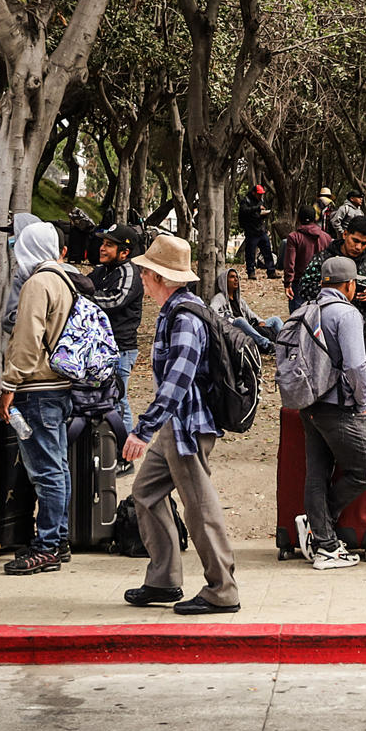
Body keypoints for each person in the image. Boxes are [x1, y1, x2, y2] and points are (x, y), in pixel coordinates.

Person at [120, 235, 242, 615]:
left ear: (159, 276)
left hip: (187, 426)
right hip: (178, 424)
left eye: (145, 271)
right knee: (146, 491)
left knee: (199, 508)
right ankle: (164, 579)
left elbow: (178, 380)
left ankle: (222, 590)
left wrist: (143, 428)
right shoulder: (179, 310)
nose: (141, 277)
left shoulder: (185, 317)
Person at [0, 219, 82, 577]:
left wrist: (9, 384)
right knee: (58, 466)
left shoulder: (36, 283)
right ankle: (57, 540)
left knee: (45, 471)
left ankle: (46, 546)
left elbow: (27, 337)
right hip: (59, 385)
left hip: (37, 388)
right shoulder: (64, 278)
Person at [292, 255, 366, 570]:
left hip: (308, 404)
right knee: (364, 472)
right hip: (338, 406)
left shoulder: (306, 311)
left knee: (317, 474)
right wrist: (360, 402)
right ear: (350, 284)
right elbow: (356, 365)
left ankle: (324, 542)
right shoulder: (347, 314)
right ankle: (321, 528)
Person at [86, 224, 146, 435]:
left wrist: (83, 299)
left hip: (121, 349)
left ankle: (124, 455)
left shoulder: (129, 272)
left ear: (125, 252)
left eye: (109, 245)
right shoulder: (101, 271)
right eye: (103, 243)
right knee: (101, 401)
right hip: (99, 347)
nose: (102, 248)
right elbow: (84, 285)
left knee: (119, 400)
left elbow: (115, 300)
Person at [295, 215, 366, 325]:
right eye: (355, 240)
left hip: (359, 328)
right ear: (345, 234)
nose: (358, 247)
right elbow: (304, 289)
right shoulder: (323, 259)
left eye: (364, 243)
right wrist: (334, 290)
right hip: (324, 327)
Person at [281, 207, 335, 311]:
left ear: (298, 219)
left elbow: (290, 262)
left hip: (299, 282)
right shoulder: (326, 237)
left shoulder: (294, 237)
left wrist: (288, 283)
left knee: (298, 318)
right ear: (314, 218)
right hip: (321, 282)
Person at [237, 185, 277, 276]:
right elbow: (244, 211)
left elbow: (259, 215)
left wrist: (264, 214)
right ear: (253, 193)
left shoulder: (261, 201)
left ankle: (271, 271)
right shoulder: (246, 201)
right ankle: (251, 272)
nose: (260, 196)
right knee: (250, 253)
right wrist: (257, 209)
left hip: (261, 230)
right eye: (259, 194)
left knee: (267, 251)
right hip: (251, 232)